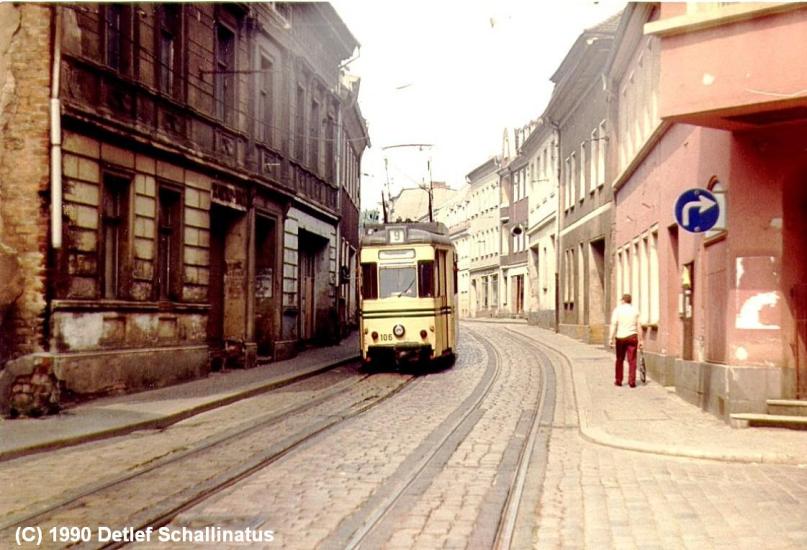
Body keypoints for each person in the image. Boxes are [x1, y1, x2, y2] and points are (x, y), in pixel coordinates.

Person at [608, 293, 642, 387]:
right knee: (632, 360)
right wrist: (641, 340)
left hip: (620, 337)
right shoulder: (635, 310)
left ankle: (618, 380)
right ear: (630, 301)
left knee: (619, 359)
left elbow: (614, 324)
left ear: (623, 300)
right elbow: (639, 326)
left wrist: (610, 338)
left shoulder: (617, 310)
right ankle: (632, 382)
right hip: (632, 337)